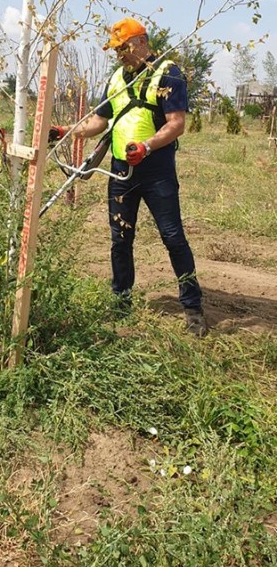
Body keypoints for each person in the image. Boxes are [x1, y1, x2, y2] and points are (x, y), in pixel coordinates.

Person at [49, 17, 208, 338]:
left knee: (172, 236)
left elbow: (177, 123)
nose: (119, 54)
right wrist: (66, 132)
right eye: (115, 50)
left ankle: (192, 308)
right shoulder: (117, 79)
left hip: (156, 169)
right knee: (120, 239)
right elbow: (98, 122)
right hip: (121, 170)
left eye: (123, 48)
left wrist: (147, 146)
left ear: (141, 42)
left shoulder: (168, 73)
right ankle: (121, 302)